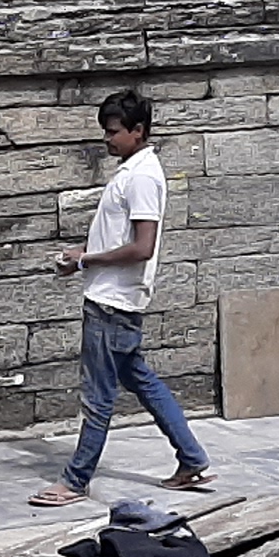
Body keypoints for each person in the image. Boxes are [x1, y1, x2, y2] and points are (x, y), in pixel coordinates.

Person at [32, 88, 214, 508]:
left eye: (113, 132)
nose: (107, 140)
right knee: (142, 382)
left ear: (138, 130)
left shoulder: (143, 177)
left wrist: (85, 261)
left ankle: (75, 480)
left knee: (97, 396)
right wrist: (83, 258)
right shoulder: (134, 171)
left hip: (113, 302)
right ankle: (192, 457)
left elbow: (141, 246)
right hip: (114, 297)